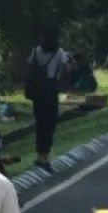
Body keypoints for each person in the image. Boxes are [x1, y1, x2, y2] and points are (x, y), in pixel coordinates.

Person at [25, 26, 71, 173]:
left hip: (38, 92)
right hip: (51, 91)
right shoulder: (59, 52)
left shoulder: (36, 51)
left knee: (40, 124)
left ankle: (40, 155)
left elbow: (30, 66)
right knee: (50, 124)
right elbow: (68, 69)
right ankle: (45, 157)